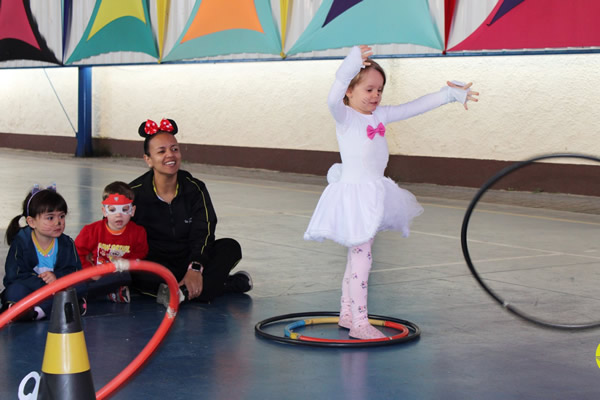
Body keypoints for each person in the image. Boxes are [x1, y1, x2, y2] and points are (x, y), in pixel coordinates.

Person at [304, 45, 479, 339]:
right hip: (354, 195)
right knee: (362, 255)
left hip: (375, 192)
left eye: (380, 90)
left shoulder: (380, 115)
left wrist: (448, 94)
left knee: (357, 253)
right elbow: (330, 97)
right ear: (349, 91)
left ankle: (347, 312)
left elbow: (414, 107)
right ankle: (359, 321)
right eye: (369, 89)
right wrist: (348, 66)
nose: (375, 95)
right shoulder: (345, 116)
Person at [129, 118, 250, 304]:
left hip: (189, 260)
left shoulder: (195, 189)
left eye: (174, 149)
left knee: (230, 247)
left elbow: (205, 230)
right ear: (148, 160)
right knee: (133, 271)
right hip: (156, 264)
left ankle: (179, 292)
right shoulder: (134, 192)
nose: (170, 155)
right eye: (161, 151)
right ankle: (222, 285)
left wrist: (195, 267)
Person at [1, 184, 84, 321]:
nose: (58, 222)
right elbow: (13, 276)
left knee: (79, 286)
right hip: (32, 289)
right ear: (32, 222)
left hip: (56, 289)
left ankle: (36, 312)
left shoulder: (67, 243)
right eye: (50, 218)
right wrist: (43, 285)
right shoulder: (21, 242)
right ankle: (59, 308)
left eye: (62, 216)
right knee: (14, 289)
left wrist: (56, 277)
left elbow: (75, 271)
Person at [75, 181, 148, 303]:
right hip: (94, 275)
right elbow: (77, 253)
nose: (119, 215)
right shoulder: (91, 231)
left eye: (125, 209)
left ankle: (88, 295)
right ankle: (102, 294)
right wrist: (90, 270)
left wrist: (127, 263)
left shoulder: (138, 233)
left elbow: (141, 253)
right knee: (76, 278)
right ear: (104, 211)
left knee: (126, 277)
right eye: (113, 209)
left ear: (132, 211)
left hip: (117, 275)